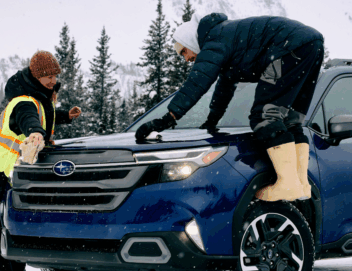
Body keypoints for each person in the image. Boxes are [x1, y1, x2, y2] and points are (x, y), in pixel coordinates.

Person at [135, 13, 324, 203]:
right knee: (291, 120)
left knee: (265, 117)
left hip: (288, 48)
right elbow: (224, 87)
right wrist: (212, 120)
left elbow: (196, 83)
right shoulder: (226, 40)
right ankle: (300, 185)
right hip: (309, 44)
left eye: (183, 51)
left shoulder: (214, 40)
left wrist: (166, 119)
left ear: (191, 40)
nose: (185, 58)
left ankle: (288, 184)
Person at [0, 50, 82, 271]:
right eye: (47, 76)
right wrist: (35, 132)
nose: (52, 80)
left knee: (16, 222)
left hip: (13, 171)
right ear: (35, 75)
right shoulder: (23, 101)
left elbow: (42, 115)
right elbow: (29, 118)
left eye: (54, 75)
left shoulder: (38, 95)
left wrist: (64, 116)